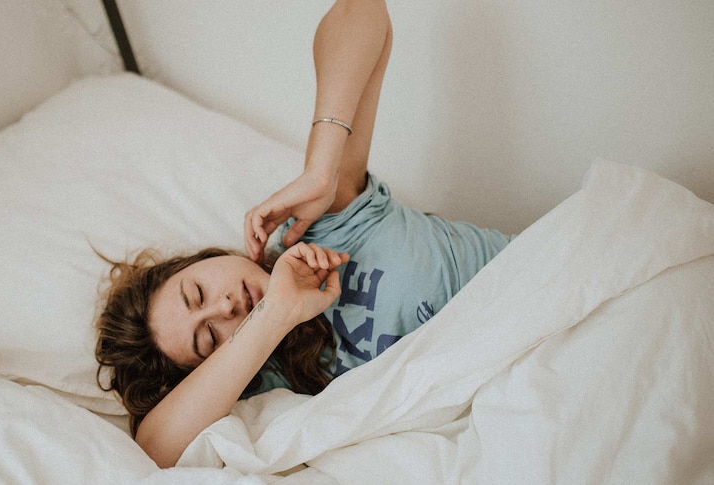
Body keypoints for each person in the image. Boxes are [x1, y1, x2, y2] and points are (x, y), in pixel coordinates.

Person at [95, 0, 512, 468]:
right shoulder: (271, 383)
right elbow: (156, 449)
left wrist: (320, 171)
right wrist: (274, 315)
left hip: (536, 289)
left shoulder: (318, 225)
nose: (225, 308)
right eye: (211, 337)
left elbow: (364, 12)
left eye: (198, 292)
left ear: (204, 259)